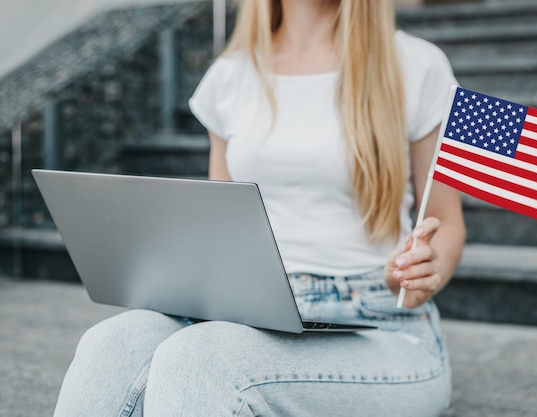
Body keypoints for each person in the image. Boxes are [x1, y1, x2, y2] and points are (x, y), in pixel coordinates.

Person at [53, 0, 465, 416]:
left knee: (201, 359)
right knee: (110, 342)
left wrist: (423, 271)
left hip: (379, 322)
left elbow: (446, 222)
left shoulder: (417, 64)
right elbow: (222, 224)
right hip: (250, 311)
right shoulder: (230, 74)